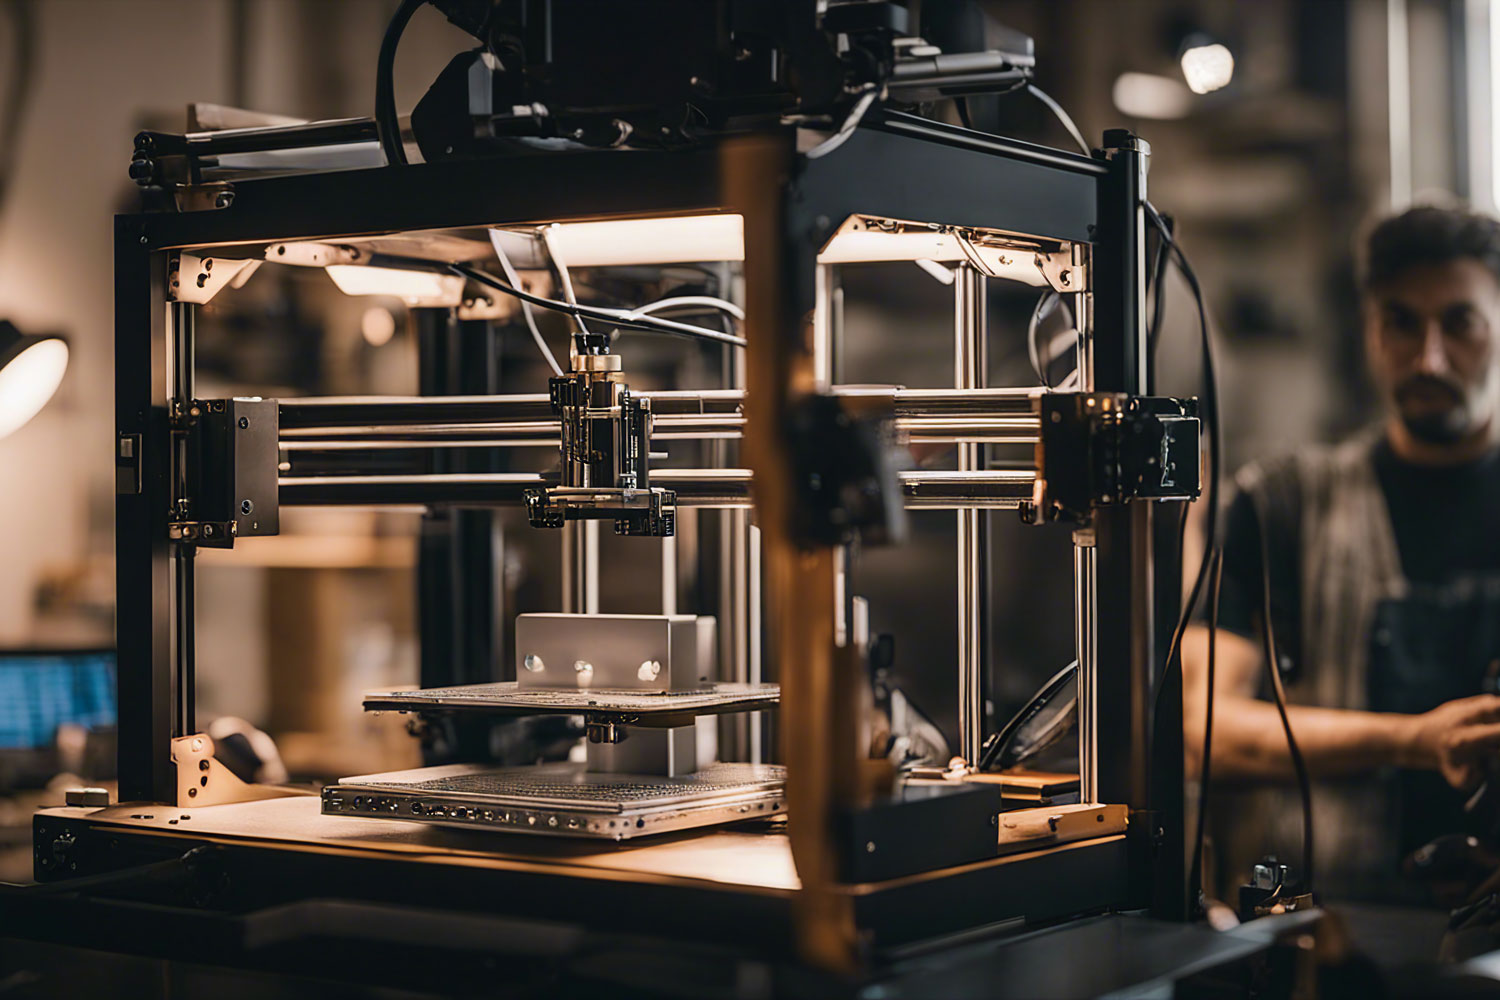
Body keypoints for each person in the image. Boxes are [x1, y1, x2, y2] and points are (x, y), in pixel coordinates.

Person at [1183, 205, 1500, 903]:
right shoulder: (1280, 506)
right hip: (1337, 928)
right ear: (1369, 329)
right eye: (1402, 322)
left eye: (1461, 323)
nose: (1430, 358)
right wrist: (1412, 741)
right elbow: (1205, 730)